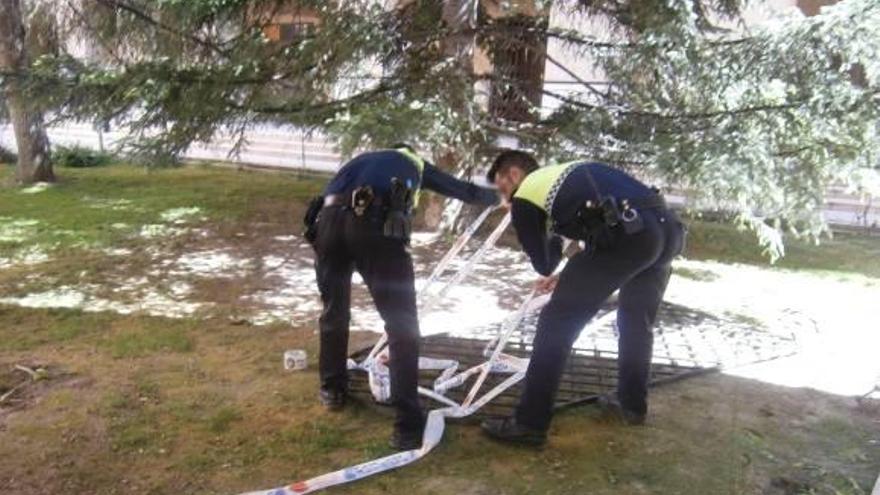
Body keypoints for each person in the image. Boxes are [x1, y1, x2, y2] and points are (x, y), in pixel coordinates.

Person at [480, 150, 685, 446]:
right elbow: (599, 238)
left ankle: (528, 424)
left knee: (555, 323)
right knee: (636, 321)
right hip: (666, 231)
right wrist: (567, 275)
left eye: (503, 188)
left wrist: (553, 242)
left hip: (630, 236)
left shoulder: (527, 193)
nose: (506, 198)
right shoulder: (570, 174)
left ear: (514, 175)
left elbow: (543, 263)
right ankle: (631, 406)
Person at [304, 144, 498, 450]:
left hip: (326, 225)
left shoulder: (361, 160)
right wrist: (500, 197)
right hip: (374, 225)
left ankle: (332, 389)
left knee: (333, 311)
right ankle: (407, 426)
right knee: (402, 325)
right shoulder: (413, 162)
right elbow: (462, 190)